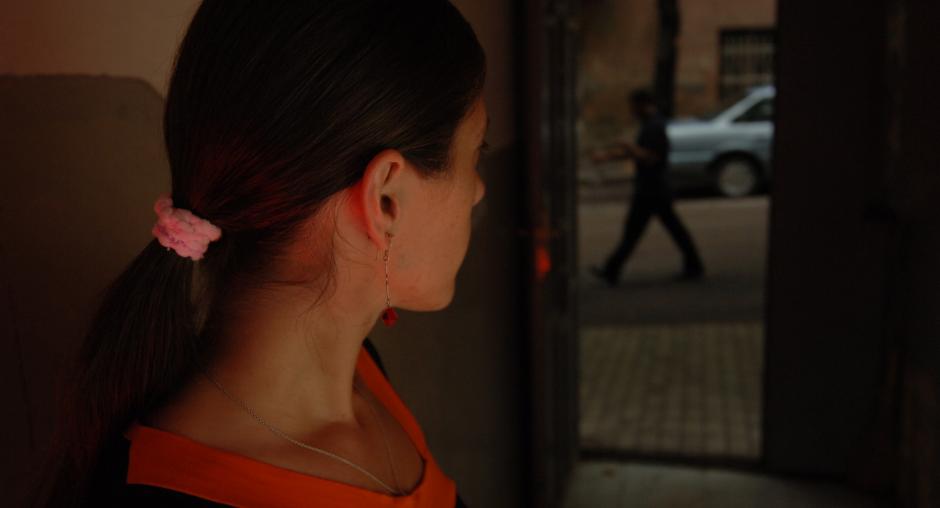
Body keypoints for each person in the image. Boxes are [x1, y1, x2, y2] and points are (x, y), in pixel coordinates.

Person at [36, 1, 487, 506]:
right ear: (386, 199)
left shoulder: (364, 375)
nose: (478, 191)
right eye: (476, 154)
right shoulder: (164, 492)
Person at [590, 89, 705, 285]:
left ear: (642, 104)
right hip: (653, 188)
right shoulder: (651, 125)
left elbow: (650, 157)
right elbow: (641, 153)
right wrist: (608, 157)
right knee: (668, 229)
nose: (631, 110)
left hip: (652, 189)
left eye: (633, 106)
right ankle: (694, 265)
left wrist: (628, 147)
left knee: (636, 231)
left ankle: (612, 269)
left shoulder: (654, 126)